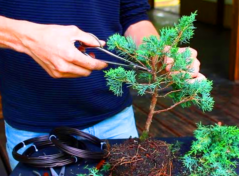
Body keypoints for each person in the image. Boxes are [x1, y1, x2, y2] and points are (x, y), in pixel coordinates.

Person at [0, 0, 205, 170]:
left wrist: (160, 54)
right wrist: (26, 39)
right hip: (33, 130)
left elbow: (132, 15)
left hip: (116, 122)